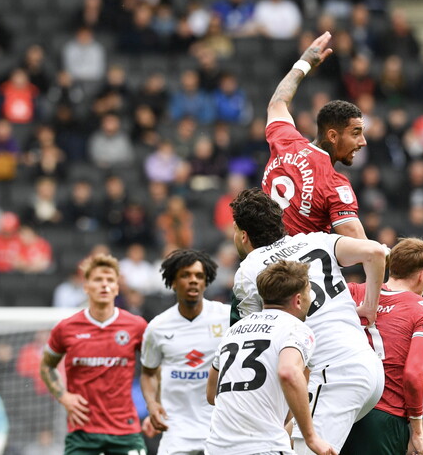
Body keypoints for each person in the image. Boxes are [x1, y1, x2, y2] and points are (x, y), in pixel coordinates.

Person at [230, 188, 386, 453]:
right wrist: (369, 307)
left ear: (244, 235)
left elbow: (260, 342)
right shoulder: (317, 240)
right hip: (368, 368)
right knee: (284, 442)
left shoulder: (250, 270)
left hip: (334, 375)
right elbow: (376, 252)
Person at [205, 260, 335, 455]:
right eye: (309, 292)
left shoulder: (234, 331)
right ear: (298, 300)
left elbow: (211, 395)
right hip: (263, 447)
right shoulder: (295, 328)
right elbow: (288, 372)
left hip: (216, 447)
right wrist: (311, 437)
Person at [39, 254, 148, 455]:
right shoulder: (66, 328)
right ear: (86, 286)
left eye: (110, 280)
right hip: (82, 434)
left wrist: (154, 405)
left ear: (117, 287)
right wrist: (63, 396)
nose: (104, 285)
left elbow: (154, 368)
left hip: (125, 431)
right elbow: (46, 366)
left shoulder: (136, 326)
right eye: (98, 280)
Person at [262, 31, 367, 238]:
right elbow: (364, 247)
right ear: (333, 136)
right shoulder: (334, 184)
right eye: (356, 134)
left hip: (261, 264)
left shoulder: (286, 141)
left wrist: (304, 63)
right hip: (300, 269)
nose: (362, 142)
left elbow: (278, 102)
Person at [342, 238, 423, 455]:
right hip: (384, 415)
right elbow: (414, 374)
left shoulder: (351, 292)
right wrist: (417, 431)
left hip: (340, 406)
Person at [140, 249, 231, 454]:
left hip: (219, 428)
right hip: (176, 431)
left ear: (206, 282)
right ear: (173, 282)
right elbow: (148, 373)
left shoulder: (226, 317)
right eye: (186, 275)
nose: (193, 281)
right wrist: (152, 404)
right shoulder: (157, 327)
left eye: (199, 276)